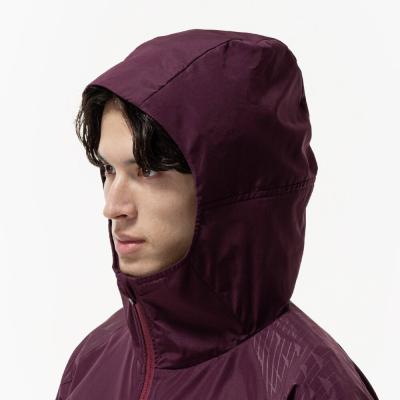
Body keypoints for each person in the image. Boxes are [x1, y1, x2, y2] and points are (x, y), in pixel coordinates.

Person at [55, 28, 379, 399]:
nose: (113, 207)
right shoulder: (92, 360)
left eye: (147, 171)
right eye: (109, 170)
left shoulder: (310, 387)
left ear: (227, 188)